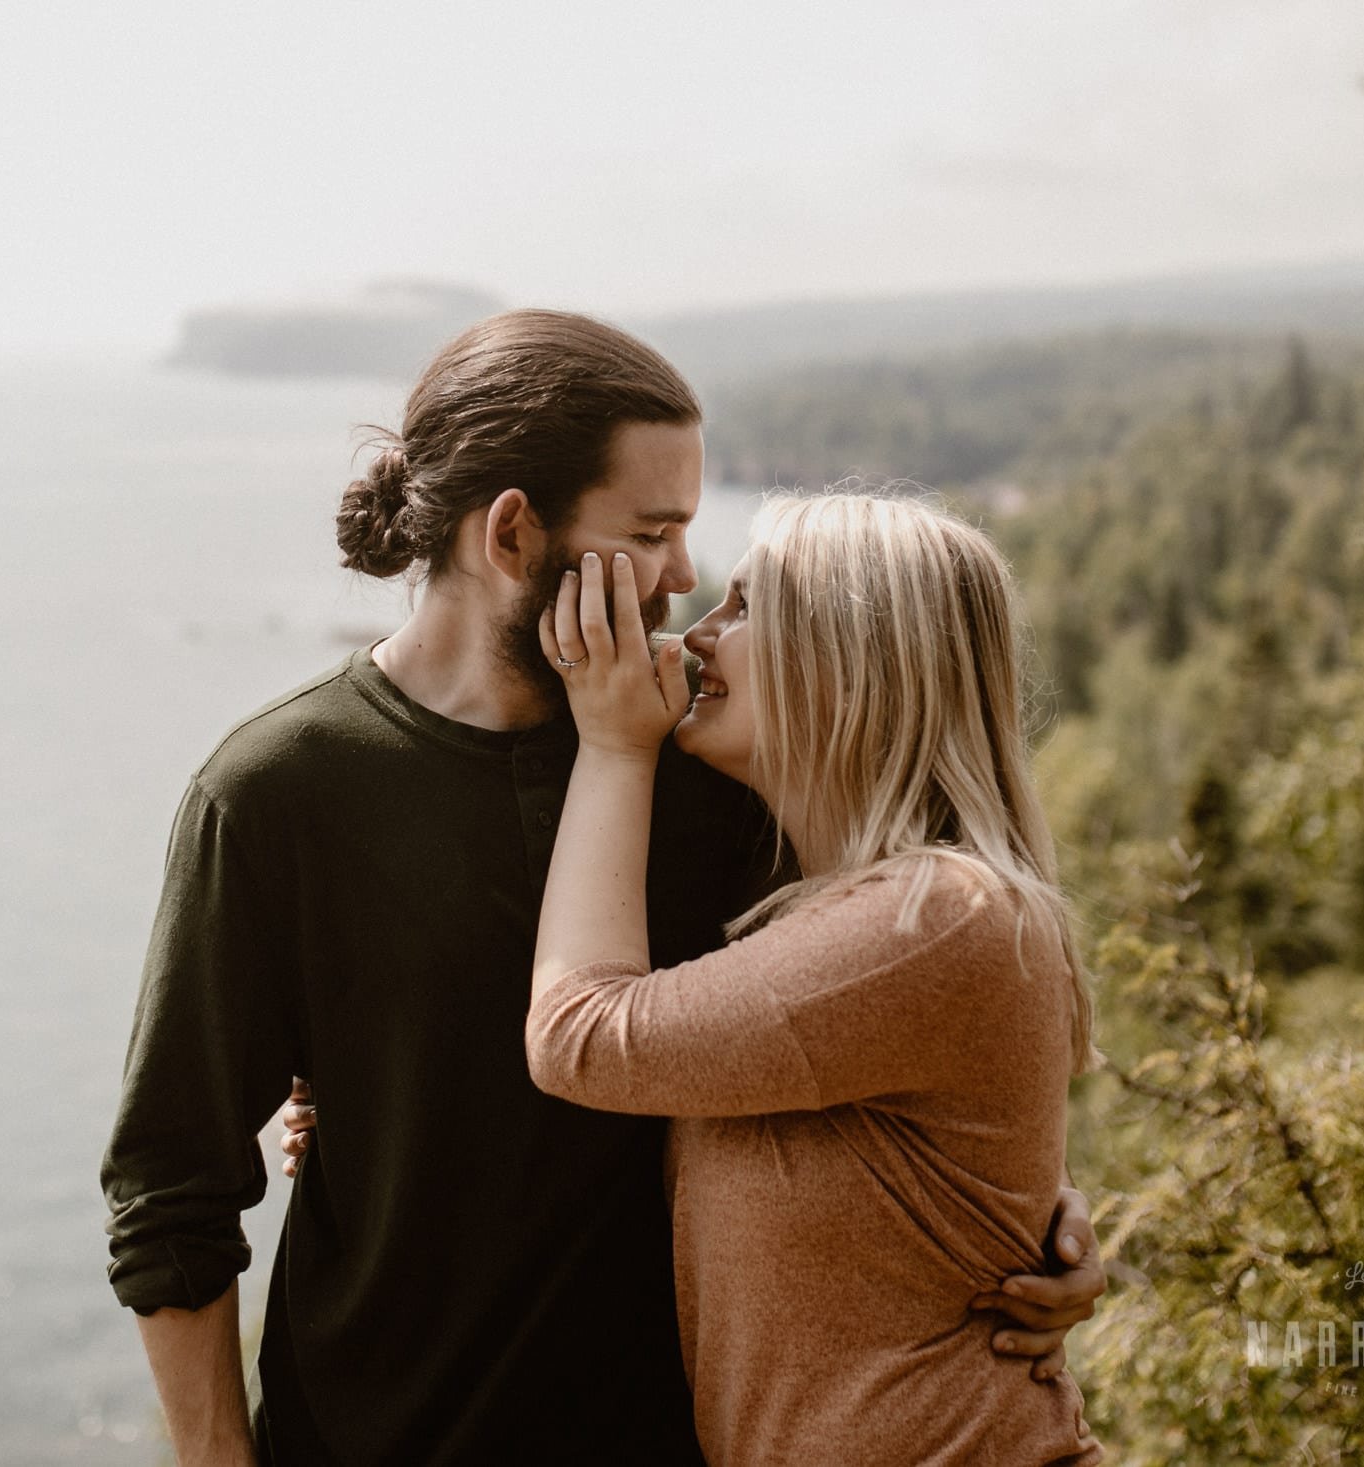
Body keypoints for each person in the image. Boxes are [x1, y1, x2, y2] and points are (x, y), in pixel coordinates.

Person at [101, 310, 1104, 1466]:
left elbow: (893, 1003)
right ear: (516, 537)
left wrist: (1024, 1206)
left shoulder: (714, 766)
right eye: (655, 529)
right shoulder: (278, 792)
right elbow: (170, 1191)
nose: (688, 575)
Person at [523, 494, 1105, 1464]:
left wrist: (614, 745)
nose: (699, 631)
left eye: (746, 607)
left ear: (848, 658)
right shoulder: (855, 915)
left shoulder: (937, 919)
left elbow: (578, 1034)